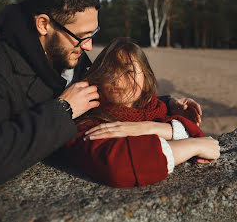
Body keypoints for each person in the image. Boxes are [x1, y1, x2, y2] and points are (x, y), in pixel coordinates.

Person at [0, 0, 203, 198]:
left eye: (92, 35)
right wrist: (63, 110)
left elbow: (113, 98)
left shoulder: (70, 52)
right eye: (81, 36)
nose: (88, 46)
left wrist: (168, 105)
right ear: (44, 24)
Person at [64, 38, 220, 187]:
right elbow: (120, 164)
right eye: (109, 71)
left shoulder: (154, 109)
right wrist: (192, 146)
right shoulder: (88, 120)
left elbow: (193, 129)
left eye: (128, 71)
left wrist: (148, 127)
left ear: (146, 81)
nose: (116, 79)